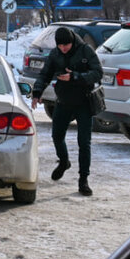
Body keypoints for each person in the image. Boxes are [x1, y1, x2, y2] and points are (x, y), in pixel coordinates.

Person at [31, 25, 103, 196]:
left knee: (84, 143)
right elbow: (45, 74)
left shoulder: (85, 50)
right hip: (63, 101)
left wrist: (76, 76)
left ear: (72, 42)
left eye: (66, 45)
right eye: (60, 46)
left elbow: (98, 73)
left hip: (84, 102)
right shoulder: (55, 54)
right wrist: (37, 92)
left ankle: (83, 180)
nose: (63, 49)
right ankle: (64, 162)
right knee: (57, 136)